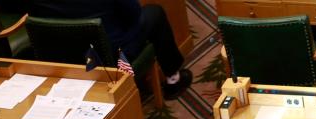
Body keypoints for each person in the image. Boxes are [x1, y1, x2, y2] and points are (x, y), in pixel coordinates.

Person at [29, 0, 193, 99]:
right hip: (112, 56)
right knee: (154, 13)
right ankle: (174, 80)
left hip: (66, 58)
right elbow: (133, 14)